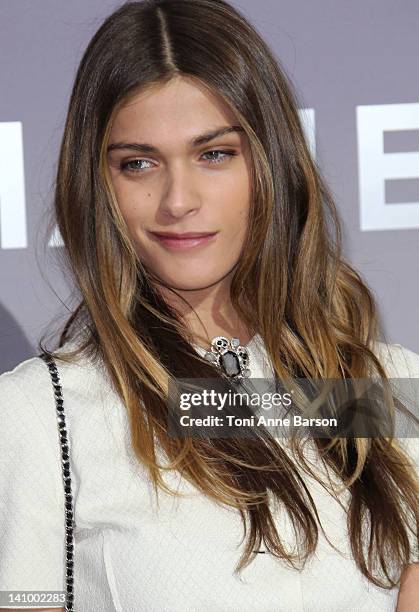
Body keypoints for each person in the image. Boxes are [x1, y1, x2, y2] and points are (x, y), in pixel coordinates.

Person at [0, 1, 418, 610]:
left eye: (214, 154)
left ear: (270, 163)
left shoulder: (385, 386)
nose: (177, 200)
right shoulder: (43, 416)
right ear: (98, 184)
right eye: (138, 163)